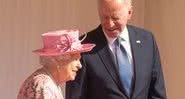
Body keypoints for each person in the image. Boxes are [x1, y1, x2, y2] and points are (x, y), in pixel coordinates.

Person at [66, 0, 167, 99]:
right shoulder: (83, 46)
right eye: (105, 17)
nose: (110, 24)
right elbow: (75, 95)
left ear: (129, 13)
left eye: (115, 18)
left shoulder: (147, 41)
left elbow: (157, 92)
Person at [17, 30, 95, 99]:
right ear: (59, 59)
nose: (80, 65)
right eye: (75, 59)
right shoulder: (44, 86)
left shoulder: (47, 81)